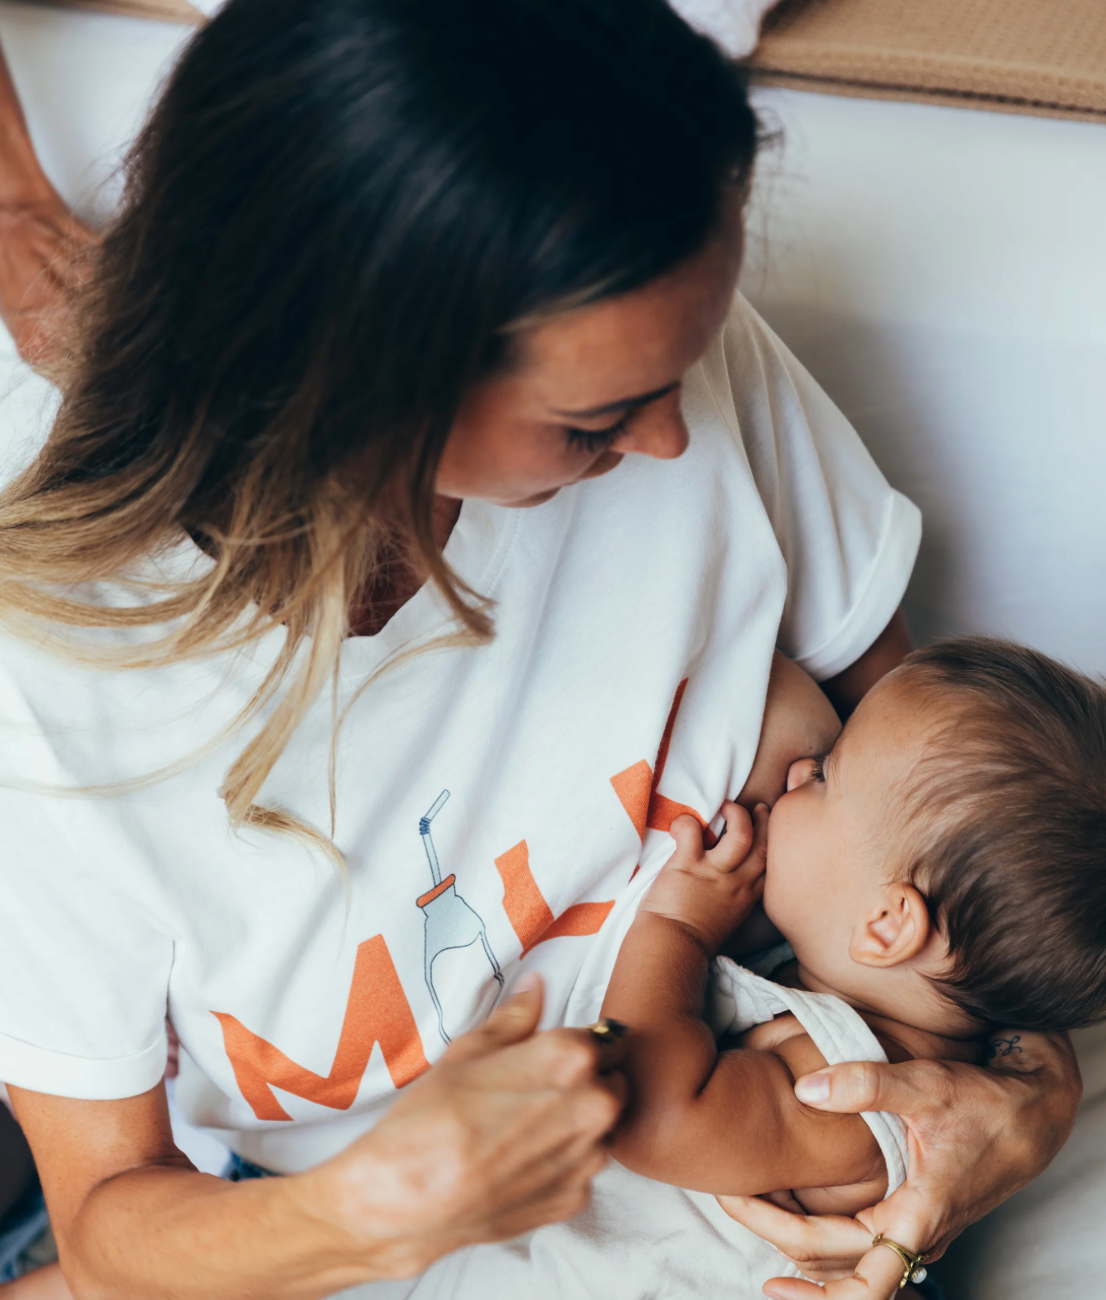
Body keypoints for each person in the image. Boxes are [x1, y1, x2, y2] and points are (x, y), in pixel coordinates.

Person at [0, 3, 1078, 1300]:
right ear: (364, 387)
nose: (676, 443)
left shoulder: (674, 347)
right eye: (596, 421)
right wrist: (372, 1211)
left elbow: (952, 804)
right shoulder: (61, 694)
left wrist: (1015, 1090)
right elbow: (113, 1217)